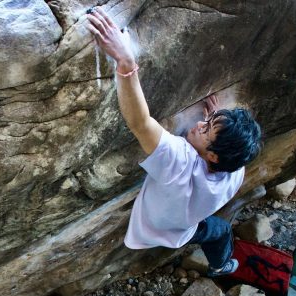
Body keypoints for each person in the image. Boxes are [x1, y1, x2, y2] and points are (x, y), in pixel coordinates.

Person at [87, 7, 262, 277]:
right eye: (208, 122)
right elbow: (228, 146)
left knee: (218, 230)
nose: (199, 125)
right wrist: (214, 125)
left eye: (205, 131)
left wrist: (125, 61)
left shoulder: (178, 162)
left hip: (151, 226)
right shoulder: (235, 170)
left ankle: (220, 264)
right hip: (184, 229)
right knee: (221, 231)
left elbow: (140, 122)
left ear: (213, 156)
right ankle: (221, 265)